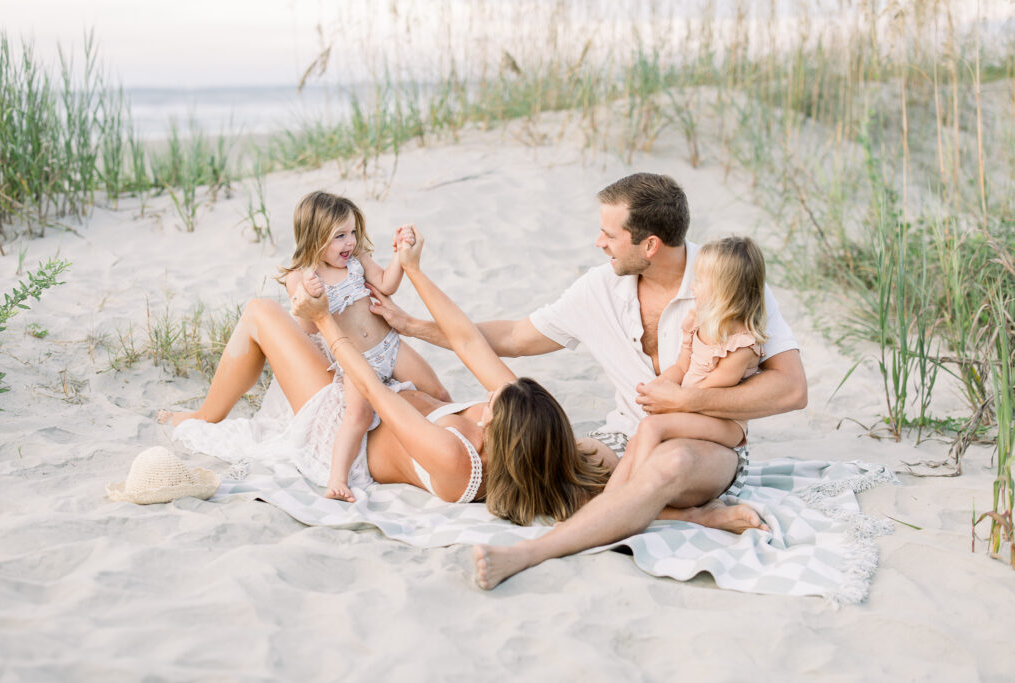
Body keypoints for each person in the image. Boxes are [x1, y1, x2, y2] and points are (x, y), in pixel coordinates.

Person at [366, 173, 806, 588]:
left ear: (649, 244)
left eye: (610, 235)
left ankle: (532, 553)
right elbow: (516, 336)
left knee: (668, 465)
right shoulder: (599, 289)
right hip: (622, 437)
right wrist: (412, 325)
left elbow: (791, 389)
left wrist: (683, 400)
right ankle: (689, 517)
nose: (599, 243)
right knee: (547, 464)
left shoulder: (727, 282)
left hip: (708, 446)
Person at [159, 226, 612, 524]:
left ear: (504, 433)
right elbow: (469, 341)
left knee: (260, 313)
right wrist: (412, 274)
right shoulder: (534, 433)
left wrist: (322, 320)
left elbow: (372, 391)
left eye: (494, 404)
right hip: (380, 395)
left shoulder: (457, 462)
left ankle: (205, 415)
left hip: (341, 424)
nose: (490, 398)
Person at [275, 191, 448, 502]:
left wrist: (400, 254)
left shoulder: (356, 261)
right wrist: (311, 295)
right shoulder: (302, 277)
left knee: (437, 391)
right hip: (356, 361)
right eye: (340, 236)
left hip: (390, 346)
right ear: (314, 238)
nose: (350, 242)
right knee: (358, 416)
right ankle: (337, 478)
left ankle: (448, 437)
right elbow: (309, 328)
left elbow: (386, 283)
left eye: (352, 232)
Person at [617, 235, 769, 480]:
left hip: (723, 422)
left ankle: (634, 490)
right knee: (636, 441)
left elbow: (709, 390)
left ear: (724, 290)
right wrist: (662, 384)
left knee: (651, 427)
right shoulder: (697, 321)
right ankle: (613, 498)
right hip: (691, 407)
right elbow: (681, 366)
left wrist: (672, 401)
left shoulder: (741, 345)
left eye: (699, 281)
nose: (692, 286)